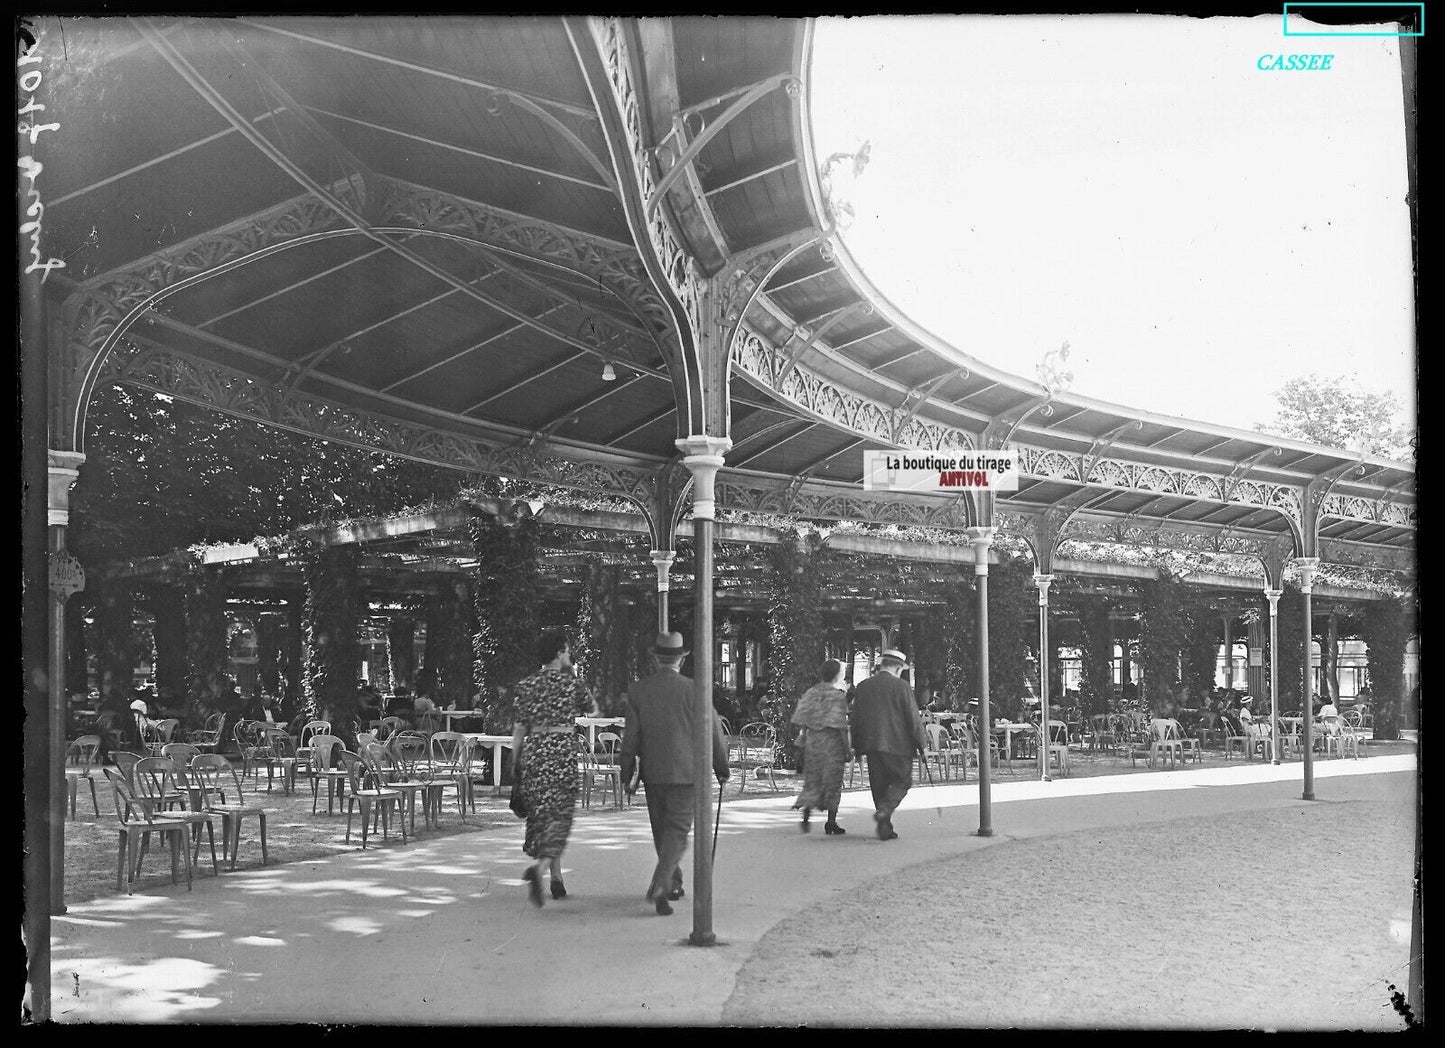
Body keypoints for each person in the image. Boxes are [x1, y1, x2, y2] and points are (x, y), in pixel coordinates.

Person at [620, 631, 730, 916]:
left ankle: (673, 883)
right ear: (681, 659)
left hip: (653, 773)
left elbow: (630, 737)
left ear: (656, 659)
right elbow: (714, 732)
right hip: (687, 774)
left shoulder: (638, 690)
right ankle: (661, 884)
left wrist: (626, 772)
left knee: (662, 833)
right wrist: (722, 767)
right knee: (677, 833)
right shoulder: (696, 690)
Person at [509, 629, 593, 908]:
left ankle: (557, 878)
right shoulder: (572, 684)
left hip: (534, 753)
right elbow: (593, 709)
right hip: (561, 753)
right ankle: (542, 870)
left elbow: (520, 728)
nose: (569, 655)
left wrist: (516, 760)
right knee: (562, 815)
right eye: (567, 651)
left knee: (544, 815)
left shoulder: (526, 685)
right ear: (559, 653)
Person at [850, 648, 926, 841]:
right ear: (899, 668)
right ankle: (884, 811)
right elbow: (913, 719)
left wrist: (857, 746)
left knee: (879, 785)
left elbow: (856, 719)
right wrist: (921, 744)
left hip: (871, 744)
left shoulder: (863, 686)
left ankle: (885, 826)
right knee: (902, 781)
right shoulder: (902, 687)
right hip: (898, 745)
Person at [790, 659, 851, 835]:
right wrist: (847, 750)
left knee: (813, 779)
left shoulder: (811, 693)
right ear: (837, 674)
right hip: (832, 745)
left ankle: (807, 810)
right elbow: (840, 726)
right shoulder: (837, 696)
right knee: (833, 781)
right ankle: (831, 821)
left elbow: (803, 720)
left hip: (813, 742)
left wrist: (804, 738)